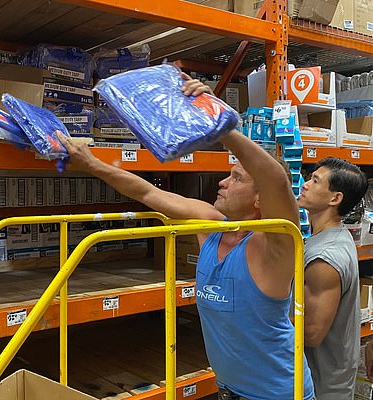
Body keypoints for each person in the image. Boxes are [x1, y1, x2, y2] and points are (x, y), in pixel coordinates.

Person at [58, 75, 315, 400]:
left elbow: (276, 179)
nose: (222, 183)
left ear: (259, 199)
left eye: (235, 178)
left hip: (278, 395)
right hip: (229, 391)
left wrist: (220, 123)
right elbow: (146, 191)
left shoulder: (276, 244)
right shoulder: (211, 225)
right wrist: (91, 164)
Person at [297, 157, 367, 399]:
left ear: (335, 198)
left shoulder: (325, 257)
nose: (305, 184)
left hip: (321, 388)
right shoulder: (329, 237)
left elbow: (311, 333)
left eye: (315, 181)